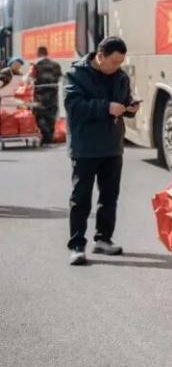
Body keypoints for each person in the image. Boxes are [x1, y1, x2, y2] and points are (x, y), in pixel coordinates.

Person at [63, 37, 138, 266]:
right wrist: (106, 107)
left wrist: (130, 107)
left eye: (121, 62)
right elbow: (73, 106)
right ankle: (77, 245)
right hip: (85, 147)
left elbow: (124, 101)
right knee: (81, 198)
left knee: (109, 196)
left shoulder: (120, 76)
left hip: (112, 146)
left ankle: (103, 239)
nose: (117, 66)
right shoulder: (76, 75)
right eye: (114, 62)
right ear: (100, 56)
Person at [30, 46, 62, 144]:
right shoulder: (56, 64)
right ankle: (49, 138)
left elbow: (30, 79)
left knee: (39, 115)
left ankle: (46, 137)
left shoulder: (35, 65)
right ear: (47, 53)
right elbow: (59, 78)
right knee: (51, 115)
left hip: (40, 95)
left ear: (38, 53)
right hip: (53, 94)